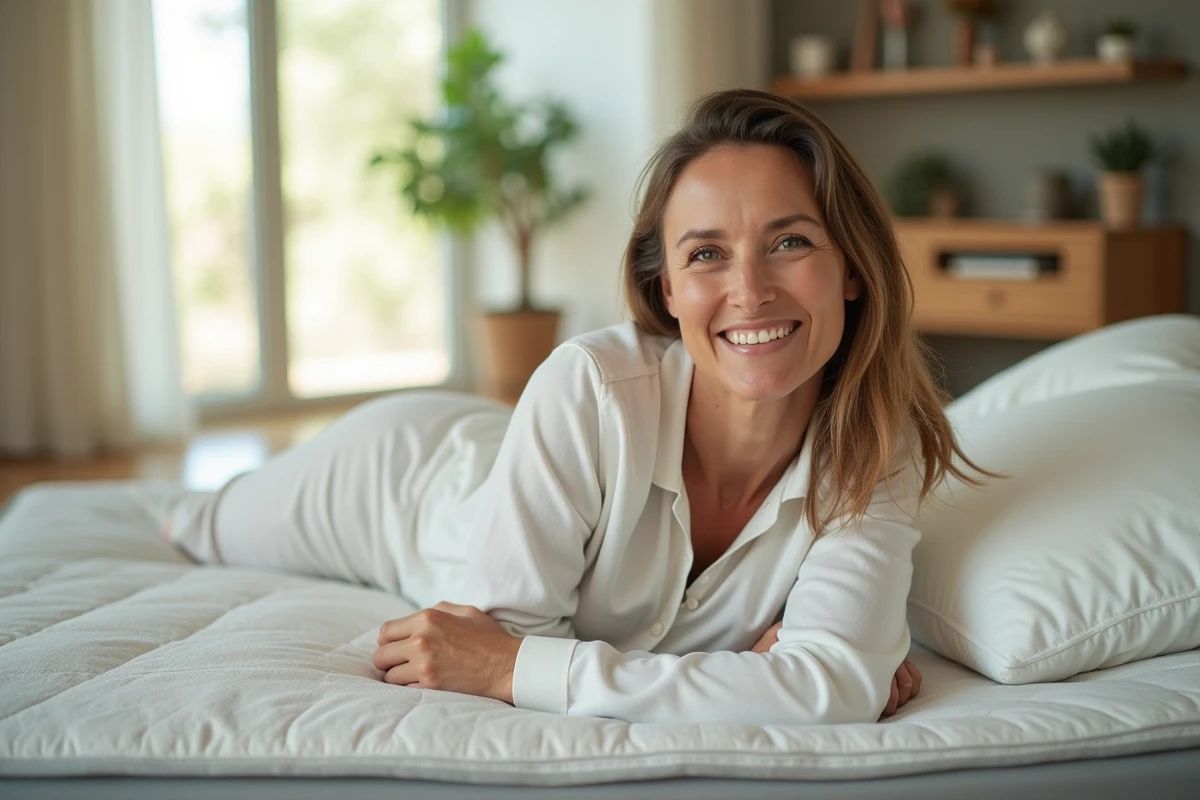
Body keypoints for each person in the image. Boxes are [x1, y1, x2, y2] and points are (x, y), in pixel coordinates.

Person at [165, 88, 984, 726]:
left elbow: (828, 687)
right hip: (403, 482)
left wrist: (518, 666)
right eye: (707, 253)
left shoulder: (880, 445)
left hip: (515, 455)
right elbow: (497, 650)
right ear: (668, 290)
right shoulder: (588, 383)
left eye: (790, 241)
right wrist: (748, 669)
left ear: (852, 267)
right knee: (189, 526)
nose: (750, 289)